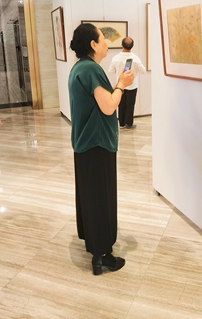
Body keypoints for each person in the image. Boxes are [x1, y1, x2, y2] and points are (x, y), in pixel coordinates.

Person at [67, 23, 134, 275]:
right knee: (101, 198)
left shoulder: (79, 68)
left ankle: (94, 244)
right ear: (93, 45)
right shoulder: (92, 69)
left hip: (85, 143)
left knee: (91, 196)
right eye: (102, 39)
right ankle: (103, 255)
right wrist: (121, 85)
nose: (107, 43)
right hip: (97, 144)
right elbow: (108, 106)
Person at [108, 37, 146, 129]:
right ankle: (128, 124)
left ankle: (121, 123)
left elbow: (111, 70)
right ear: (132, 46)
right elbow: (143, 71)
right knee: (130, 104)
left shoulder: (116, 58)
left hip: (120, 85)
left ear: (122, 45)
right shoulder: (136, 59)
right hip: (132, 85)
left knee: (121, 104)